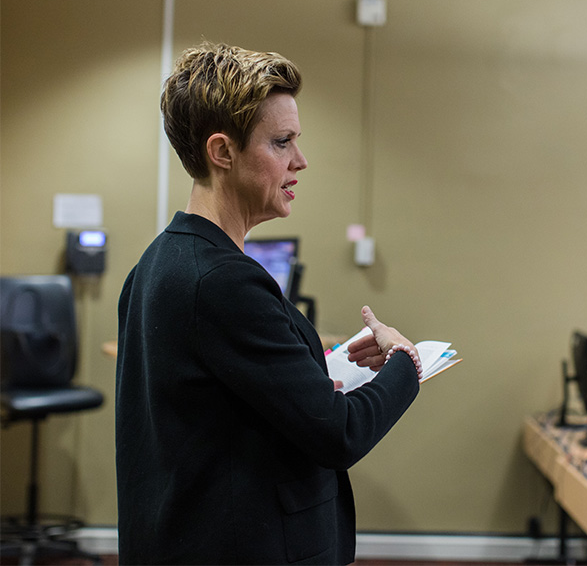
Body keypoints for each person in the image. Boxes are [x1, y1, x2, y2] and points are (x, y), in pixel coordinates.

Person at [115, 43, 422, 565]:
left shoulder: (157, 262)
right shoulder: (221, 282)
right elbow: (338, 434)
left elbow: (226, 404)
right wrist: (405, 364)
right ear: (222, 152)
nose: (300, 161)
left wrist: (336, 365)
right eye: (281, 143)